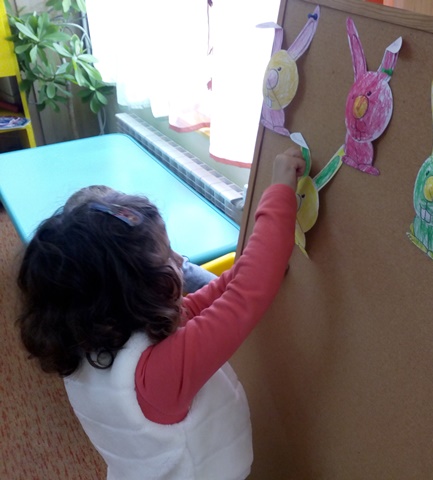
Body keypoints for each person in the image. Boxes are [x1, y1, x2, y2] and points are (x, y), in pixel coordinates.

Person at [16, 147, 306, 480]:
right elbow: (246, 296)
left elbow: (203, 304)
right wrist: (279, 192)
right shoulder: (157, 375)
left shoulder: (88, 335)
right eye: (167, 257)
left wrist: (252, 263)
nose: (180, 260)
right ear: (135, 292)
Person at [63, 184, 217, 294]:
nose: (179, 259)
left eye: (168, 248)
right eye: (165, 257)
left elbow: (214, 287)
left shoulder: (153, 258)